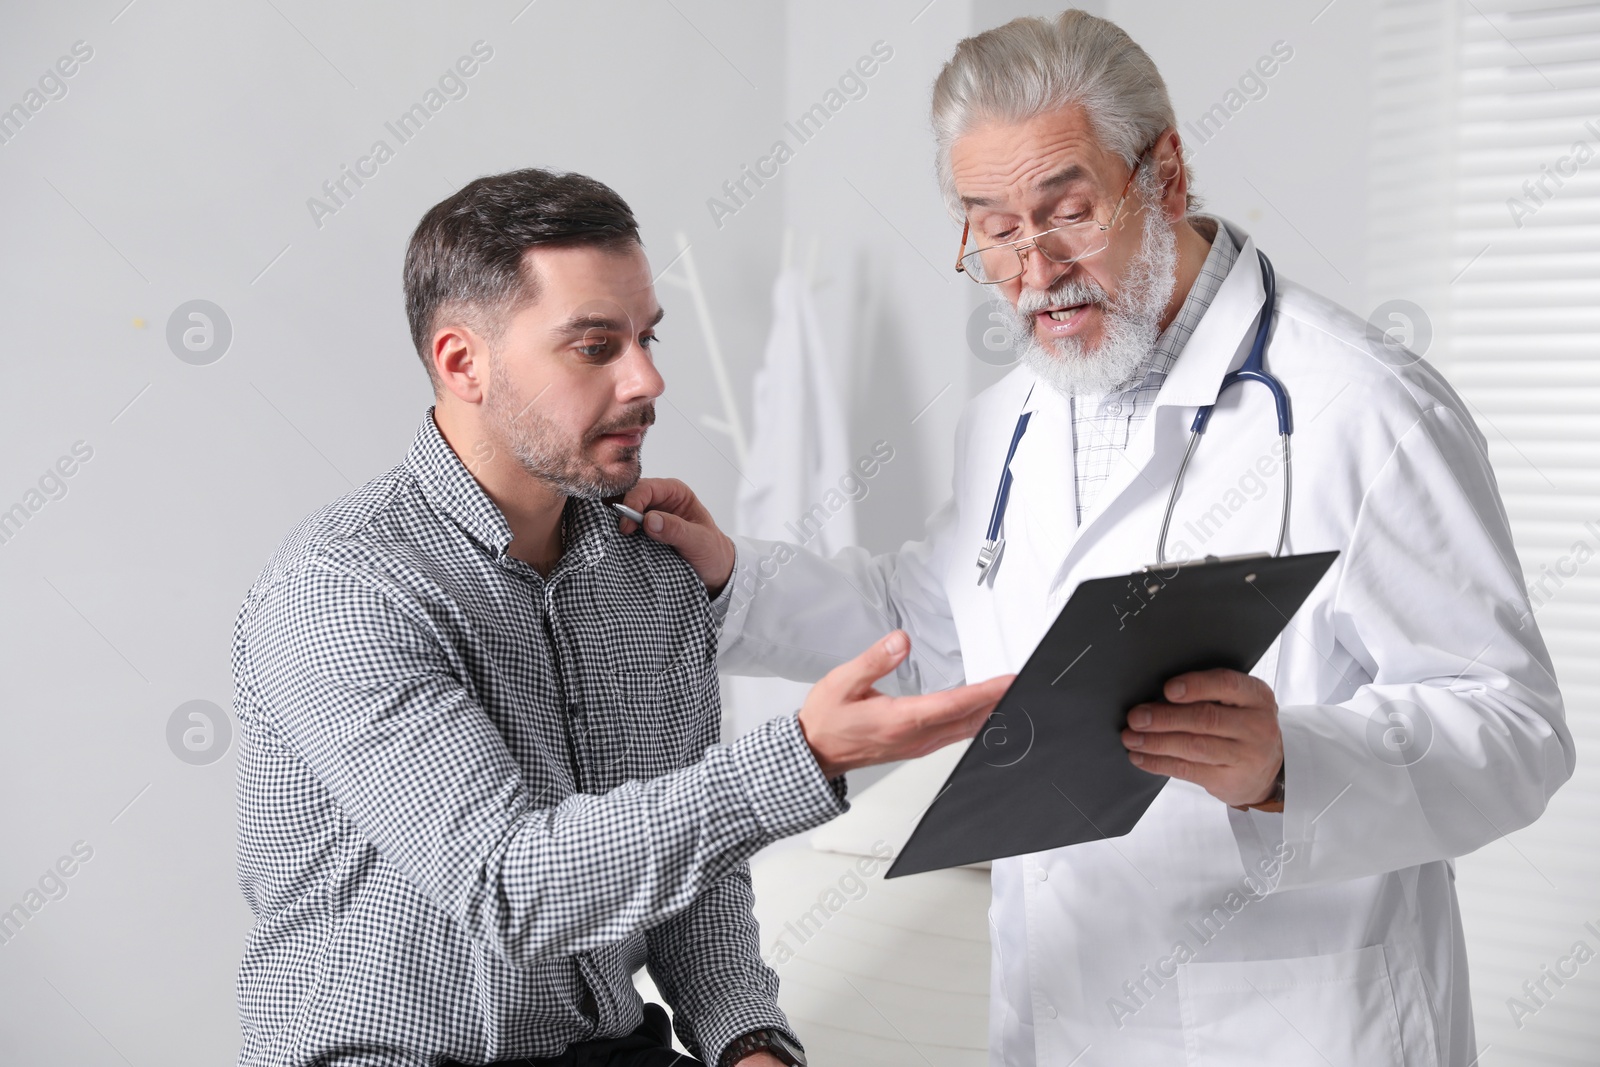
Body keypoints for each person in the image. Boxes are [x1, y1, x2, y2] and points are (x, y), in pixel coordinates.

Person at [620, 12, 1574, 1067]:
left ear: (1163, 173)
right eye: (990, 227)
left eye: (1066, 210)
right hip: (1061, 1011)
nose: (1034, 267)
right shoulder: (1014, 414)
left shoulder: (1361, 408)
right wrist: (732, 579)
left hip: (1296, 1025)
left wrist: (1285, 762)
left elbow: (1514, 726)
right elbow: (930, 624)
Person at [228, 167, 1012, 1067]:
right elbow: (509, 887)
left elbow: (692, 885)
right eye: (596, 346)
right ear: (462, 362)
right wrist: (806, 752)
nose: (648, 379)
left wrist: (748, 1042)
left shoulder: (651, 572)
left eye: (646, 337)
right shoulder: (345, 590)